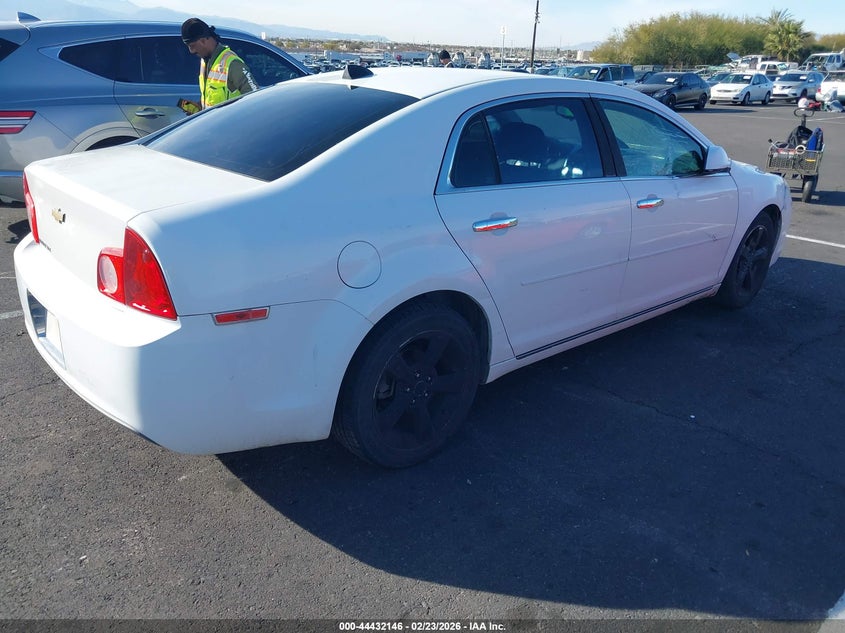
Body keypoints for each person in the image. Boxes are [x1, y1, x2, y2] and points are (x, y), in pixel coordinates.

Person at [179, 17, 258, 113]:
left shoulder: (232, 64)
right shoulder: (205, 61)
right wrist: (200, 106)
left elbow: (255, 100)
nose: (191, 51)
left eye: (192, 46)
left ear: (203, 41)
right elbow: (213, 98)